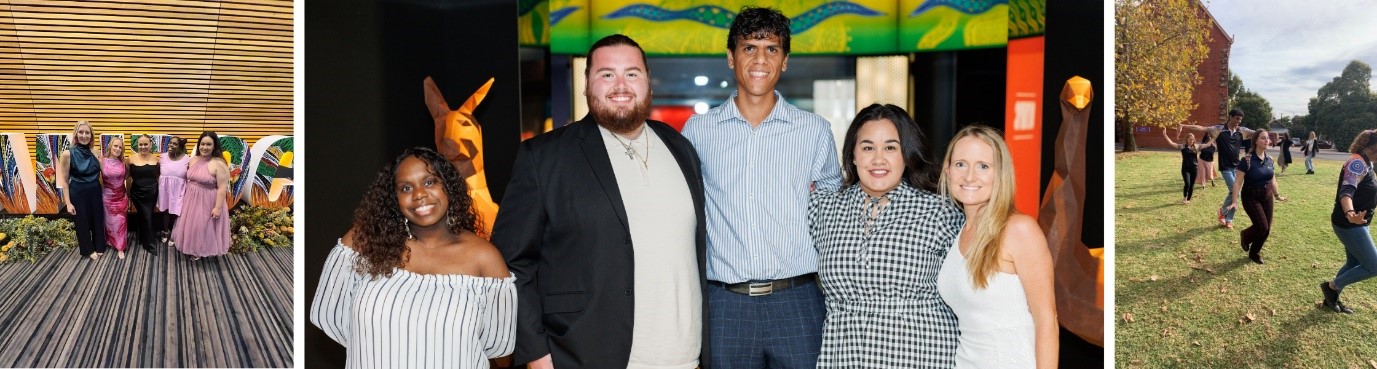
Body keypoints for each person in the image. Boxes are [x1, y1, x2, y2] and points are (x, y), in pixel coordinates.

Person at [492, 34, 709, 369]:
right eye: (606, 74)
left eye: (632, 73)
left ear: (648, 81)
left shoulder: (680, 148)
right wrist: (537, 355)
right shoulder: (544, 157)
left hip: (686, 360)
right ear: (586, 83)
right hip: (585, 358)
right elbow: (509, 264)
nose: (620, 85)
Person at [680, 7, 842, 368]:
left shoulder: (813, 131)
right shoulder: (699, 132)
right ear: (730, 57)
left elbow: (833, 209)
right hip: (726, 304)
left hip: (797, 301)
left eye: (772, 49)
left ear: (784, 61)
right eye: (749, 47)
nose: (760, 59)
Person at [311, 147, 515, 368]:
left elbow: (501, 352)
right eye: (406, 188)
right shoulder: (364, 241)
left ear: (448, 186)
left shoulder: (484, 257)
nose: (419, 194)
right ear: (394, 198)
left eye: (429, 182)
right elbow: (333, 316)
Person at [808, 104, 963, 367]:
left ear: (906, 155)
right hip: (845, 356)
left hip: (919, 355)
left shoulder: (940, 211)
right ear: (853, 155)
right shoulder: (824, 207)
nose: (878, 159)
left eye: (891, 148)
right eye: (868, 148)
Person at [935, 124, 1058, 369]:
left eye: (983, 166)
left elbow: (1047, 320)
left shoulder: (1018, 230)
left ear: (1000, 173)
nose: (970, 176)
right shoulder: (959, 232)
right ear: (947, 170)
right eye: (961, 164)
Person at [1321, 130, 1377, 314]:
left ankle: (1331, 299)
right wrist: (1351, 213)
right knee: (1374, 265)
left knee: (1353, 263)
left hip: (1359, 223)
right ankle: (1332, 287)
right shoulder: (1357, 163)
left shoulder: (1368, 163)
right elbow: (1346, 192)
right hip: (1350, 224)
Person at [1179, 109, 1256, 228]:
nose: (1238, 122)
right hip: (1225, 167)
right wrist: (1184, 125)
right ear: (1230, 117)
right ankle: (1223, 212)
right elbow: (1201, 128)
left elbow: (1257, 133)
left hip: (1237, 167)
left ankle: (1228, 219)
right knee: (1236, 192)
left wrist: (1267, 135)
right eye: (1236, 118)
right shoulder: (1219, 129)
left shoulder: (1242, 131)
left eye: (1240, 120)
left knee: (1235, 193)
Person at [1227, 129, 1288, 264]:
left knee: (1267, 229)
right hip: (1251, 197)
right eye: (1263, 138)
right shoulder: (1246, 160)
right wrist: (1234, 201)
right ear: (1255, 141)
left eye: (1268, 138)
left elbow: (1272, 180)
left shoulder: (1269, 160)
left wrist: (1277, 195)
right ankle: (1245, 235)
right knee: (1262, 226)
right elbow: (1237, 182)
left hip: (1267, 196)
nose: (1267, 140)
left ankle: (1254, 253)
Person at [170, 131, 231, 260]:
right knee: (190, 224)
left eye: (209, 144)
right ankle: (191, 245)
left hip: (207, 200)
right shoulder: (194, 159)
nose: (204, 147)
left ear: (214, 146)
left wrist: (218, 208)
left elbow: (221, 188)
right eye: (202, 144)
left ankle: (199, 250)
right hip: (191, 198)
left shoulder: (219, 164)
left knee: (203, 226)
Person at [58, 121, 107, 260]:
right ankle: (88, 249)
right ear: (76, 134)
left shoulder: (96, 152)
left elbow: (103, 174)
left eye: (87, 132)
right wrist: (68, 203)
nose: (84, 135)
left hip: (95, 190)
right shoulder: (67, 154)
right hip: (78, 192)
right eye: (81, 132)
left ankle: (99, 245)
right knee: (82, 222)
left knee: (98, 219)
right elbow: (65, 181)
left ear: (91, 135)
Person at [128, 134, 160, 255]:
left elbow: (158, 176)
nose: (143, 147)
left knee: (148, 215)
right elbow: (127, 176)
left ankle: (144, 239)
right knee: (144, 215)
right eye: (140, 144)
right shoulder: (130, 159)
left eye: (145, 144)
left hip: (152, 192)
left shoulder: (157, 159)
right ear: (137, 145)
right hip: (137, 193)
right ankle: (148, 242)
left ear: (150, 144)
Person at [101, 136, 130, 259]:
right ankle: (110, 241)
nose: (117, 149)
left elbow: (127, 176)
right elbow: (98, 179)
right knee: (109, 222)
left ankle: (120, 247)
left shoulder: (124, 162)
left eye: (120, 147)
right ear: (110, 146)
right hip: (107, 197)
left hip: (121, 197)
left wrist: (127, 195)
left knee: (121, 223)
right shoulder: (102, 161)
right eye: (115, 146)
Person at [158, 136, 191, 248]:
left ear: (180, 147)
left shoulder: (187, 159)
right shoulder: (162, 157)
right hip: (165, 190)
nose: (171, 145)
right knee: (165, 211)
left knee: (177, 212)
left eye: (175, 144)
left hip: (179, 190)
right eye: (170, 143)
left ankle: (175, 233)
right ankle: (165, 231)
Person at [1163, 129, 1208, 204]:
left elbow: (1207, 144)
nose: (1191, 141)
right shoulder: (1182, 146)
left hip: (1194, 168)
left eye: (1193, 139)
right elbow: (1171, 143)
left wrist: (1214, 137)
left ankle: (1188, 199)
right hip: (1185, 168)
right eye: (1190, 139)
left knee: (1192, 185)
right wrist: (1165, 135)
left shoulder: (1197, 147)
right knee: (1187, 183)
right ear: (1186, 139)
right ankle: (1185, 198)